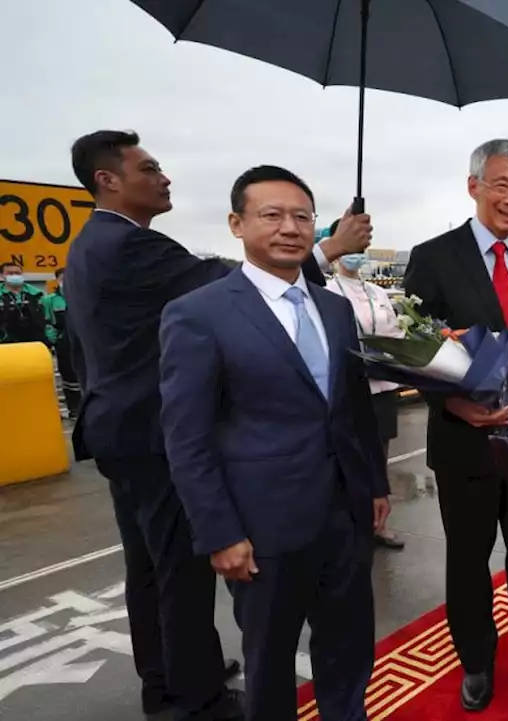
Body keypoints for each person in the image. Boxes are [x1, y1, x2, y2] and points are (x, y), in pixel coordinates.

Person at [61, 130, 371, 720]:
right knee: (183, 574)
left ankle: (168, 681)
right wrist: (329, 247)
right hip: (158, 435)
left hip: (115, 426)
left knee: (149, 572)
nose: (166, 177)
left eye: (301, 217)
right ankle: (193, 696)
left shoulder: (89, 246)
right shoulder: (134, 253)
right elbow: (228, 288)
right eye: (149, 167)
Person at [158, 166, 389, 720]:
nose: (290, 228)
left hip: (344, 515)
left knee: (349, 647)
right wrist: (219, 532)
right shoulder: (199, 314)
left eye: (302, 216)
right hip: (262, 528)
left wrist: (374, 486)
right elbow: (186, 437)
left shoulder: (333, 307)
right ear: (237, 224)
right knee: (269, 659)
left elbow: (351, 408)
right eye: (272, 215)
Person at [401, 139, 508, 711]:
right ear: (473, 185)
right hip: (463, 443)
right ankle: (475, 662)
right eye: (501, 184)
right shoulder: (432, 257)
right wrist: (453, 405)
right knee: (468, 558)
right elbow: (412, 347)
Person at [325, 226, 406, 550]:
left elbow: (395, 332)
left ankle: (378, 524)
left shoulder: (377, 292)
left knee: (379, 455)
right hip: (347, 386)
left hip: (383, 384)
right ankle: (347, 523)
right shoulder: (328, 290)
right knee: (344, 456)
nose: (356, 253)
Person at [42, 268, 82, 418]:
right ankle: (74, 408)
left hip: (83, 340)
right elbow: (46, 322)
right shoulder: (50, 300)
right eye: (62, 278)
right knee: (68, 375)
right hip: (64, 342)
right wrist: (52, 339)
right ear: (57, 280)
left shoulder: (83, 297)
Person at [0, 261, 47, 345]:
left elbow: (47, 319)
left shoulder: (37, 294)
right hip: (5, 344)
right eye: (10, 273)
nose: (14, 276)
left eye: (17, 273)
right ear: (2, 276)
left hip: (34, 343)